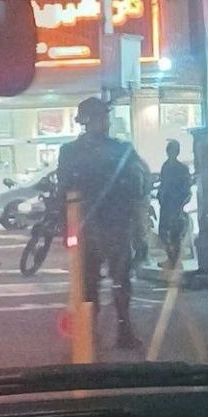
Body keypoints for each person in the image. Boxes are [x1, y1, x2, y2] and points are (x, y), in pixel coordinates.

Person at [57, 97, 144, 349]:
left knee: (91, 283)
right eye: (101, 117)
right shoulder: (122, 150)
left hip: (88, 225)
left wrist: (66, 227)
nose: (105, 122)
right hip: (112, 225)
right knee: (117, 281)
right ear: (89, 120)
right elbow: (138, 187)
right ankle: (120, 331)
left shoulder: (70, 152)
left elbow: (63, 192)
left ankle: (93, 333)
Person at [157, 139, 191, 268]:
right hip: (166, 204)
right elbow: (163, 183)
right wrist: (160, 196)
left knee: (175, 234)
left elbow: (186, 189)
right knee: (163, 232)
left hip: (176, 205)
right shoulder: (165, 166)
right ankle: (170, 258)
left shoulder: (182, 169)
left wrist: (180, 204)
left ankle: (175, 260)